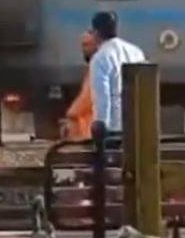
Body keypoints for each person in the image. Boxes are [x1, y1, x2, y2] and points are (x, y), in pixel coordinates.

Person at [88, 11, 147, 146]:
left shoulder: (100, 58)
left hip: (115, 127)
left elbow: (102, 96)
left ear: (96, 33)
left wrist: (101, 124)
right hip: (138, 123)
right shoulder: (136, 51)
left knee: (113, 164)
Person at [63, 30, 100, 140]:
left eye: (87, 45)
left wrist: (71, 113)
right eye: (83, 45)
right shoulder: (94, 66)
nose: (84, 49)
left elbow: (88, 97)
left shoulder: (97, 66)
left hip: (91, 129)